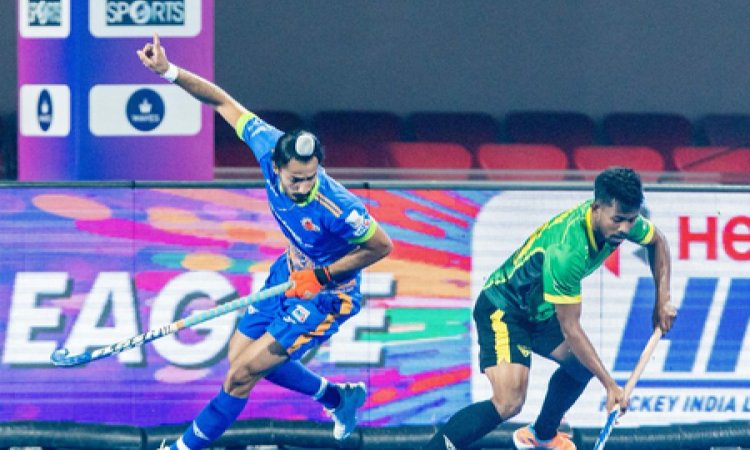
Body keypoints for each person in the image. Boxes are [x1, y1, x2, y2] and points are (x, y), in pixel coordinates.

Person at [137, 34, 393, 450]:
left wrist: (322, 276)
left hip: (328, 296)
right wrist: (168, 71)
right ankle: (337, 398)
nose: (304, 187)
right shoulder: (267, 144)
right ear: (277, 165)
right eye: (296, 179)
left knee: (241, 375)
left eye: (311, 177)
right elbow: (222, 102)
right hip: (288, 273)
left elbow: (381, 246)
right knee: (240, 359)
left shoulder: (337, 206)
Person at [423, 167, 677, 450]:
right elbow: (571, 328)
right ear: (597, 208)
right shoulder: (567, 250)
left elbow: (658, 242)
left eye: (631, 220)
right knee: (509, 402)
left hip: (541, 310)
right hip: (505, 308)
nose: (625, 229)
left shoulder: (621, 220)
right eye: (618, 220)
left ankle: (541, 435)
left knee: (580, 367)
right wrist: (610, 385)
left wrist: (662, 298)